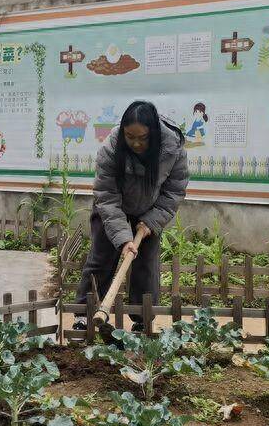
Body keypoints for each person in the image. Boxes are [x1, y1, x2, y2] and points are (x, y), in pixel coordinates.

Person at [75, 100, 189, 331]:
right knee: (100, 258)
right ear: (123, 131)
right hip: (112, 207)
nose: (136, 142)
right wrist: (124, 238)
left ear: (154, 134)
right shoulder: (110, 148)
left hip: (150, 211)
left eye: (143, 137)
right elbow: (106, 195)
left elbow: (174, 191)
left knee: (145, 266)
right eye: (130, 136)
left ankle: (142, 318)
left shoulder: (172, 149)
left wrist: (151, 222)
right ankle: (84, 314)